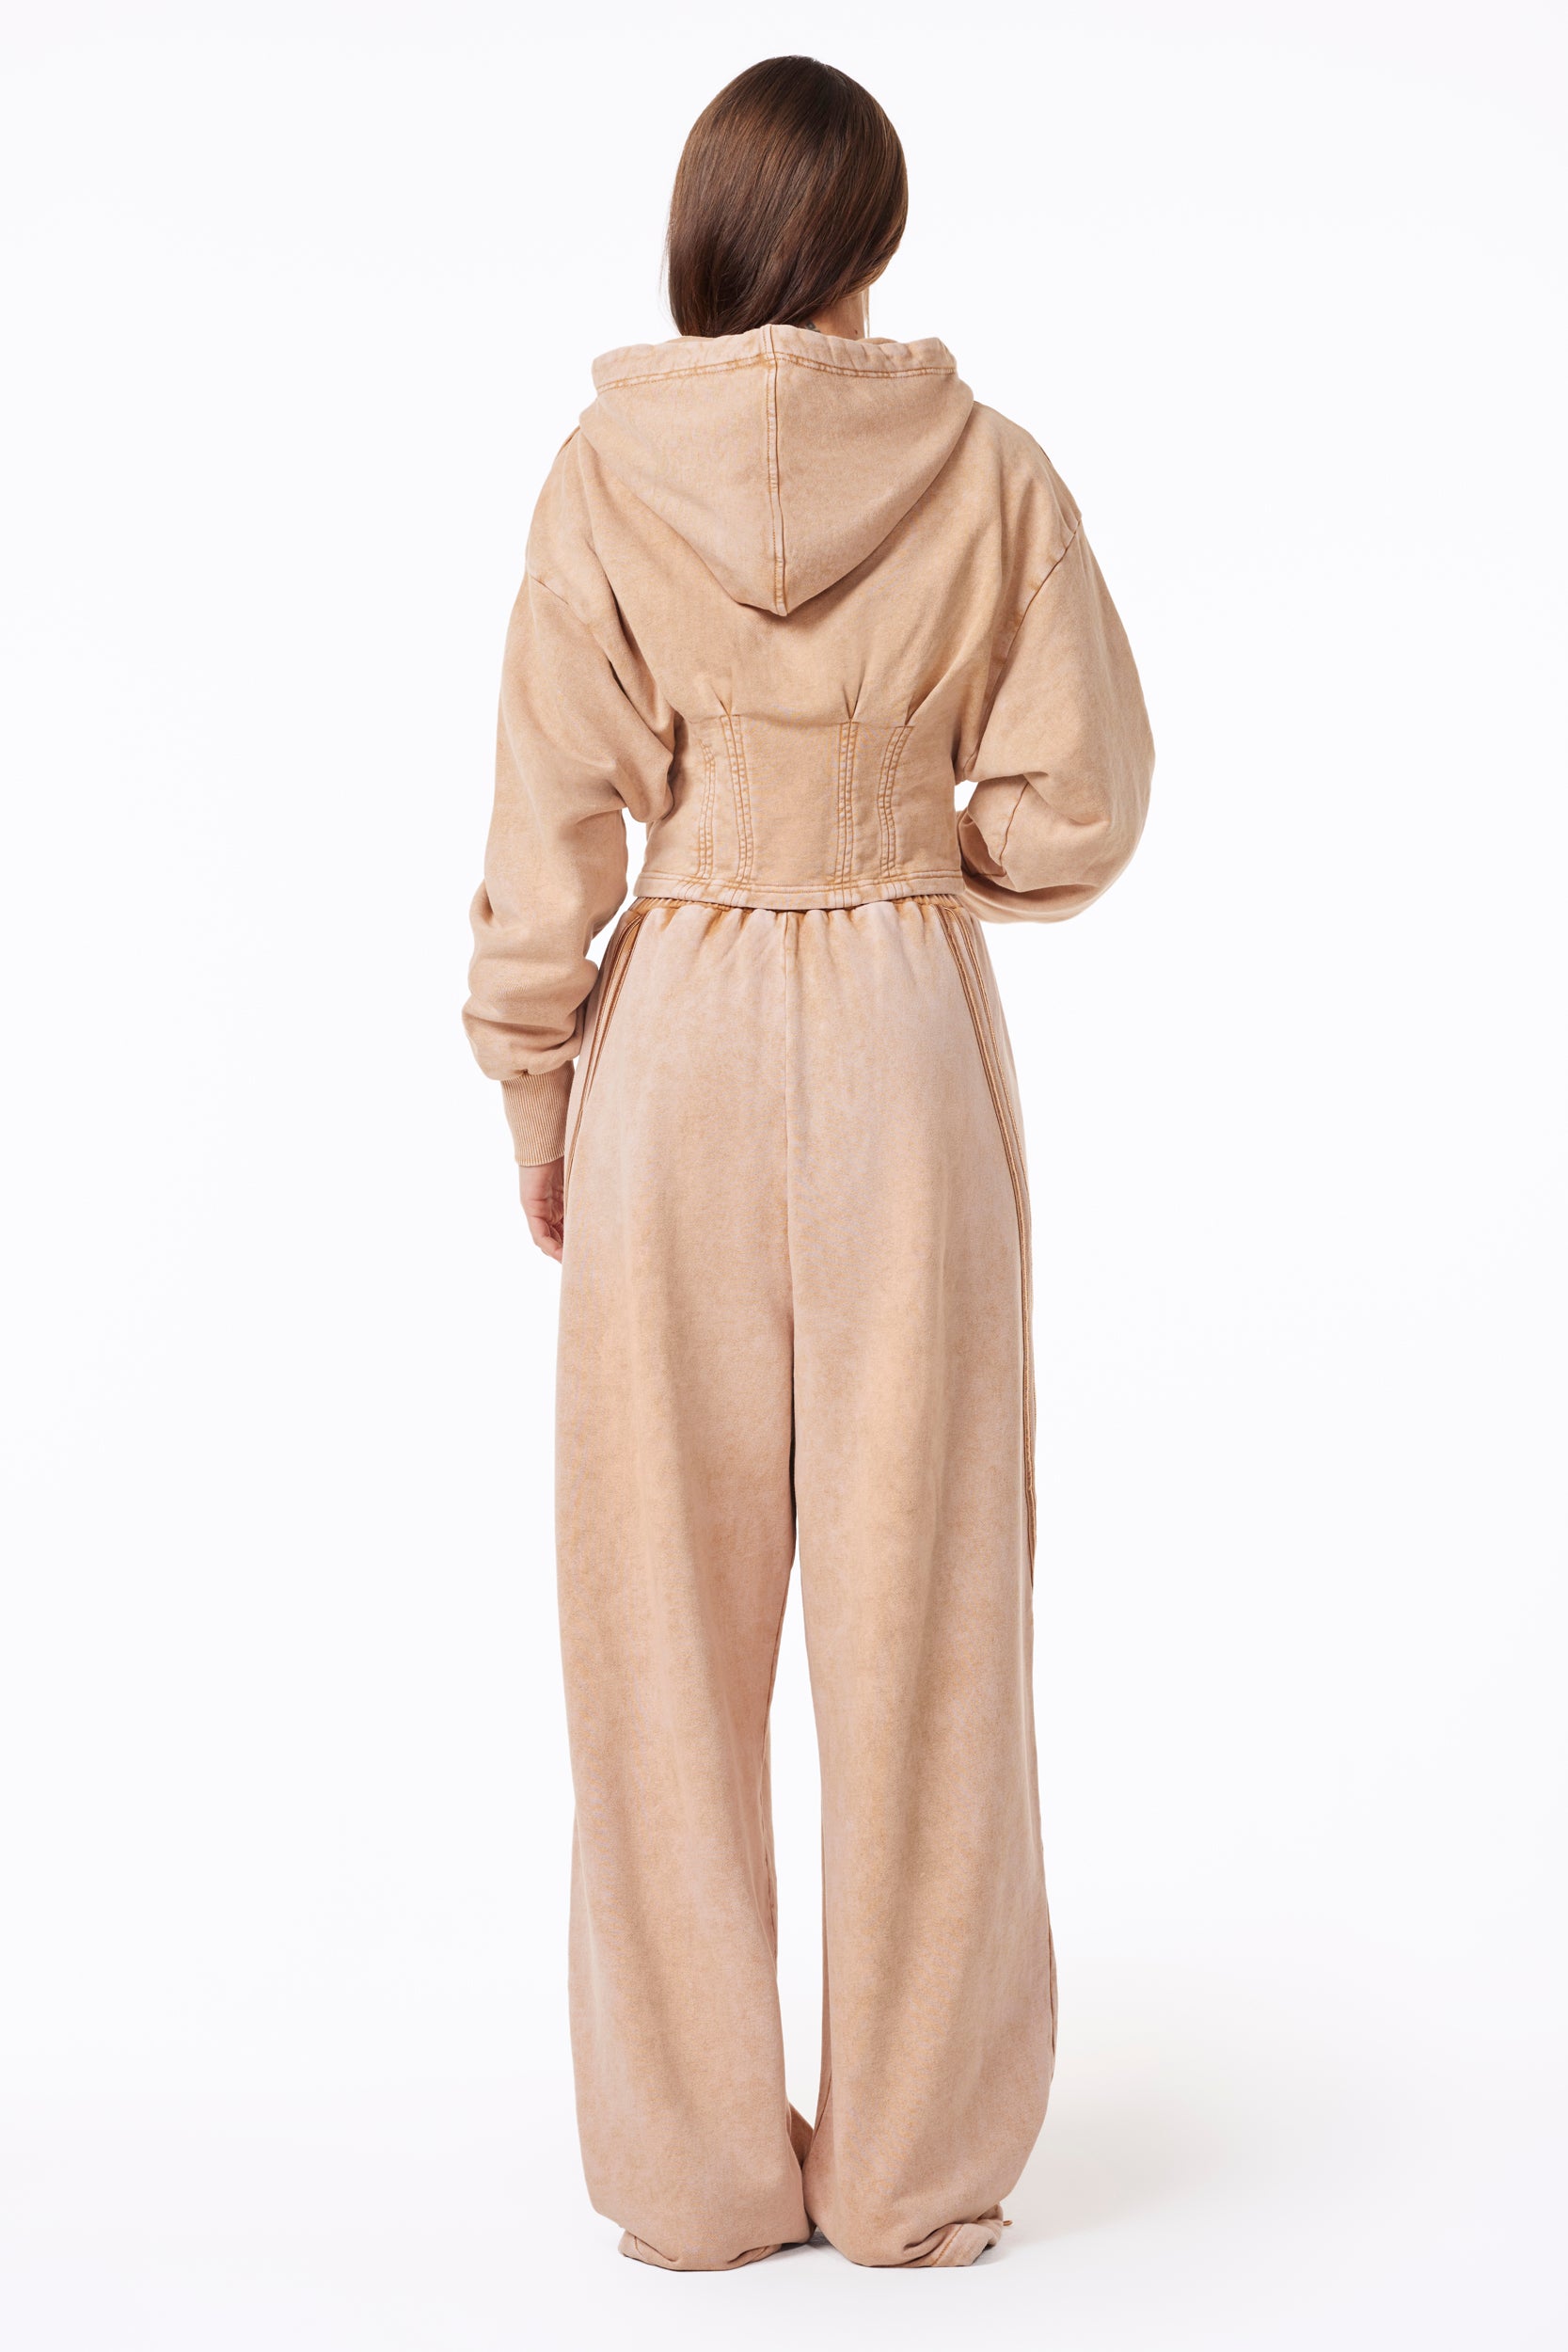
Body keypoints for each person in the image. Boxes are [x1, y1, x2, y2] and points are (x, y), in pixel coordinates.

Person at [463, 54, 1153, 2271]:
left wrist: (540, 1092)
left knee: (653, 1619)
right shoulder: (990, 470)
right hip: (898, 1044)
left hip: (670, 1044)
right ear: (871, 241)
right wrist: (918, 848)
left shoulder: (603, 471)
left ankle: (690, 2175)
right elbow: (1083, 797)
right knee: (926, 1604)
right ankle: (914, 2163)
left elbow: (548, 838)